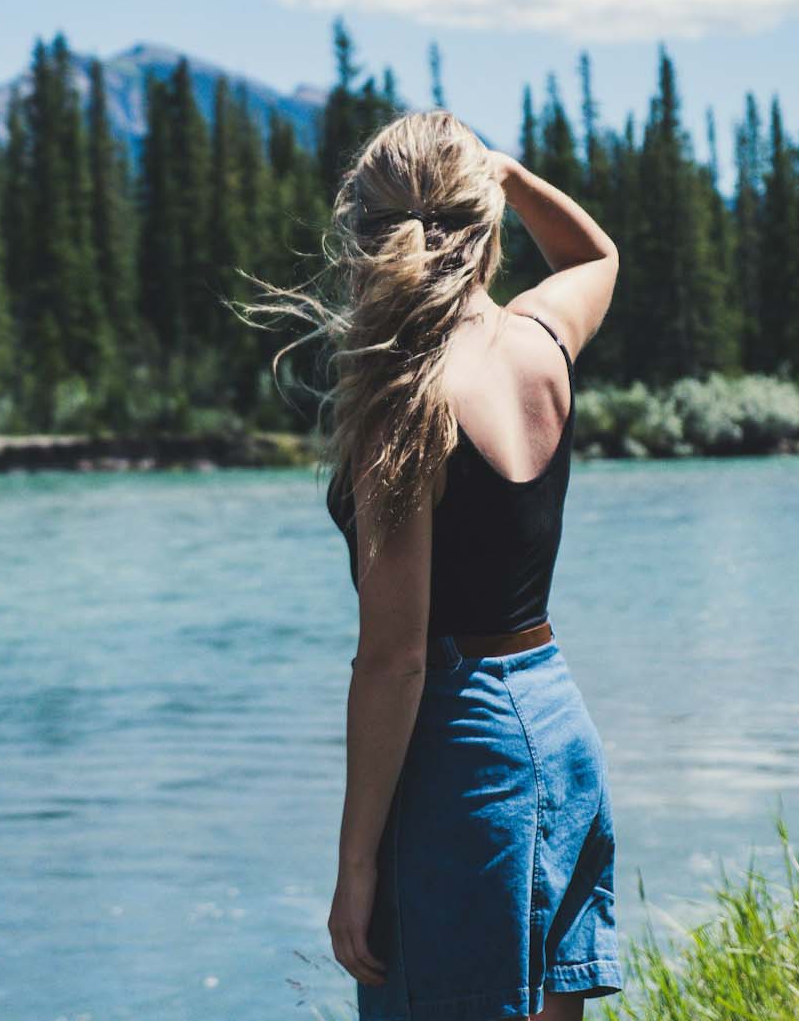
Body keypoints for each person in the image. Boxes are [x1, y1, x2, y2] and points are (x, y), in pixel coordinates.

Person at [240, 109, 622, 1020]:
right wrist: (514, 176)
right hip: (556, 724)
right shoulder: (539, 341)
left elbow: (396, 660)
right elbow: (596, 259)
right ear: (485, 224)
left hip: (463, 760)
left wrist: (356, 864)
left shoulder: (404, 403)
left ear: (365, 239)